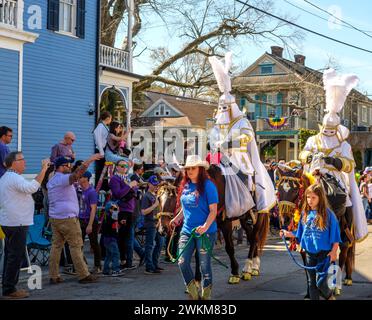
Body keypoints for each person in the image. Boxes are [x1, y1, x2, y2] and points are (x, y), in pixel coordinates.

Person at [299, 69, 368, 243]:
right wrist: (308, 157)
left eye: (332, 129)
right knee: (301, 199)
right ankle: (299, 231)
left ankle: (346, 233)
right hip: (314, 176)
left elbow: (350, 165)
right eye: (326, 129)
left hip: (336, 179)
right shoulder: (313, 140)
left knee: (347, 201)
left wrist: (335, 161)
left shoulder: (343, 144)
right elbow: (303, 153)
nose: (328, 132)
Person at [0, 152, 50, 299]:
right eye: (22, 160)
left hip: (11, 221)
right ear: (14, 163)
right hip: (17, 222)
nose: (25, 162)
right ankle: (9, 289)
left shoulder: (8, 177)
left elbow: (29, 186)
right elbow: (32, 188)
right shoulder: (13, 178)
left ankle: (8, 286)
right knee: (15, 256)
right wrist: (44, 169)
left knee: (10, 255)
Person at [47, 154, 102, 284]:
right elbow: (76, 175)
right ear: (60, 167)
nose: (69, 167)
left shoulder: (52, 180)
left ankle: (54, 275)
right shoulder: (62, 179)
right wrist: (89, 160)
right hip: (67, 218)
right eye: (67, 165)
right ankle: (83, 275)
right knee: (76, 245)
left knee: (56, 246)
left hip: (56, 217)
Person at [280, 184, 341, 300]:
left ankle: (329, 296)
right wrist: (287, 234)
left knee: (321, 283)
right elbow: (300, 233)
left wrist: (334, 251)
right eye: (308, 197)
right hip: (309, 254)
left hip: (324, 253)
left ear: (320, 198)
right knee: (311, 283)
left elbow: (336, 235)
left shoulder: (329, 214)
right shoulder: (305, 213)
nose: (310, 200)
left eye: (313, 198)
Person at [170, 155, 218, 300]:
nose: (190, 171)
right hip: (187, 231)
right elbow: (186, 208)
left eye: (193, 168)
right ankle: (193, 292)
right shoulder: (185, 186)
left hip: (206, 232)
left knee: (204, 266)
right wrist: (177, 218)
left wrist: (205, 226)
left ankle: (206, 295)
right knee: (182, 262)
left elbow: (213, 211)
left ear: (200, 169)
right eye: (188, 169)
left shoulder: (209, 186)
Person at [109, 158, 138, 270]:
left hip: (130, 210)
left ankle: (128, 262)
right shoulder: (114, 179)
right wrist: (129, 186)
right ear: (116, 167)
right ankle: (123, 261)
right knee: (122, 237)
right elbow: (118, 194)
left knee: (129, 237)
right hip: (120, 211)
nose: (124, 168)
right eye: (121, 166)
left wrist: (131, 187)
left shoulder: (127, 178)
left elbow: (135, 192)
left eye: (126, 166)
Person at [78, 171, 102, 273]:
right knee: (79, 244)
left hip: (90, 220)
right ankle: (83, 265)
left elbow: (93, 209)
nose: (79, 178)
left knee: (94, 243)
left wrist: (90, 225)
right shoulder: (80, 190)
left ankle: (98, 266)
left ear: (86, 178)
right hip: (80, 219)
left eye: (81, 177)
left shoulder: (91, 192)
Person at [141, 175, 165, 274]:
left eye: (156, 185)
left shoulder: (155, 195)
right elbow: (143, 212)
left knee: (160, 244)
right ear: (149, 184)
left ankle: (154, 264)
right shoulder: (146, 196)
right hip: (150, 223)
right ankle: (149, 266)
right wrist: (155, 205)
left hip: (157, 223)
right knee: (149, 245)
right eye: (154, 185)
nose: (156, 186)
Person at [101, 202, 125, 276]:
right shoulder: (108, 217)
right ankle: (115, 270)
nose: (115, 210)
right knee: (116, 254)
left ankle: (106, 270)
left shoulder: (112, 217)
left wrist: (120, 223)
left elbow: (115, 227)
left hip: (110, 239)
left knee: (109, 255)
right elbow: (108, 227)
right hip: (110, 239)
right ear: (109, 209)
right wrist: (115, 219)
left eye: (116, 208)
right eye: (113, 208)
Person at [93, 111, 112, 188]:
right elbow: (98, 139)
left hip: (104, 149)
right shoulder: (100, 126)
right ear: (108, 118)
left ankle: (104, 185)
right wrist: (101, 152)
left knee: (104, 170)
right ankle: (99, 187)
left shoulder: (105, 126)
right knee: (100, 170)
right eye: (111, 119)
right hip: (100, 150)